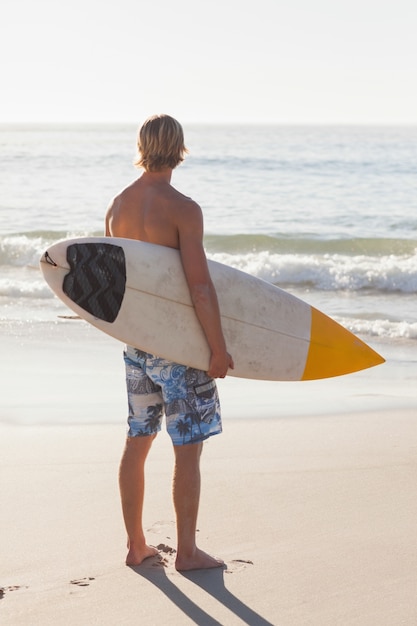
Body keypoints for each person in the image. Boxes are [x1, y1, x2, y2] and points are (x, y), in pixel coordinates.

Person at [105, 114, 234, 571]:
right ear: (179, 147)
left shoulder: (118, 205)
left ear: (142, 145)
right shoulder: (183, 208)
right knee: (188, 446)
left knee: (137, 439)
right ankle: (188, 552)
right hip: (179, 348)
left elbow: (113, 284)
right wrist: (217, 348)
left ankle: (136, 544)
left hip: (136, 344)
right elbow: (199, 287)